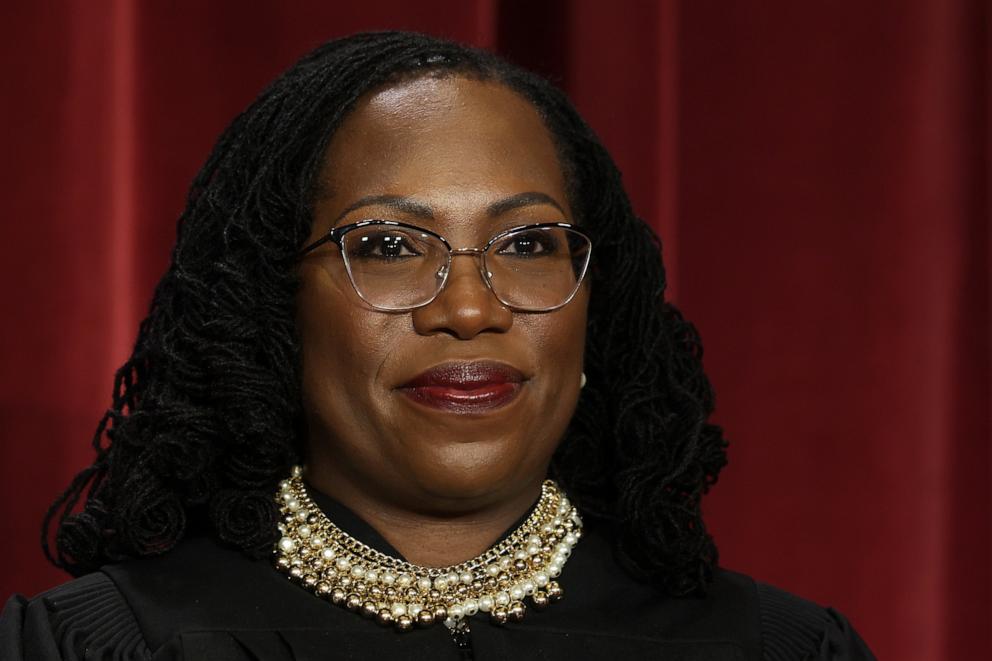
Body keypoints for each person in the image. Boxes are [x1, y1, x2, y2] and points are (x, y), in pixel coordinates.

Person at [0, 31, 874, 660]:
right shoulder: (94, 644)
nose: (467, 308)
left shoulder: (780, 648)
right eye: (386, 245)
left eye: (528, 244)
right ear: (270, 305)